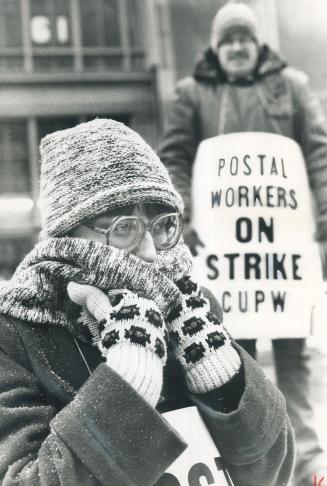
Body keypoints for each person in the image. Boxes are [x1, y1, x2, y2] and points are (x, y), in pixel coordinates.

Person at [0, 118, 294, 485]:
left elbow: (271, 473)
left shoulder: (190, 310)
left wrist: (221, 379)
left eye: (163, 224)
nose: (152, 253)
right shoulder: (14, 334)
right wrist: (128, 381)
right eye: (124, 227)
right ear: (68, 232)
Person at [158, 2, 327, 485]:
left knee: (295, 358)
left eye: (245, 39)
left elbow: (318, 155)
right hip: (226, 259)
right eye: (228, 39)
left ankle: (310, 464)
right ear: (215, 46)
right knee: (232, 362)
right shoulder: (191, 95)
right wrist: (181, 218)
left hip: (283, 256)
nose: (236, 47)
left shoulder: (291, 86)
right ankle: (249, 463)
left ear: (258, 46)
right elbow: (175, 159)